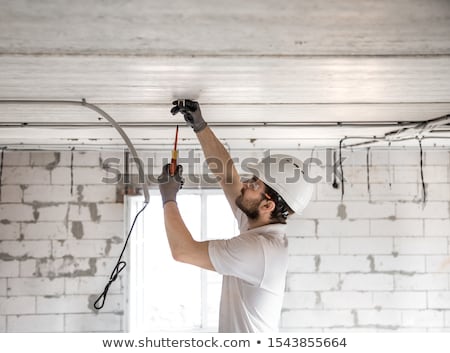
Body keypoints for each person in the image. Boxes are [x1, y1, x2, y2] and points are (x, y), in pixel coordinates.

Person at [158, 99, 313, 332]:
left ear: (267, 205)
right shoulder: (258, 224)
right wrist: (200, 125)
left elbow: (183, 251)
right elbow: (227, 175)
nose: (246, 184)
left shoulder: (258, 249)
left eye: (255, 184)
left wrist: (168, 198)